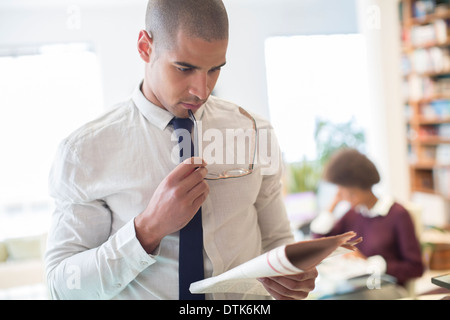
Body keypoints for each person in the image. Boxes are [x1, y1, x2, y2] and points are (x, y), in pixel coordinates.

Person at [44, 0, 317, 300]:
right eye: (184, 68)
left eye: (215, 69)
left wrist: (293, 276)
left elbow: (278, 241)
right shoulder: (84, 152)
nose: (202, 90)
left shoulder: (255, 132)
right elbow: (63, 288)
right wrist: (147, 229)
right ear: (145, 47)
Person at [310, 148, 424, 286]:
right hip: (358, 285)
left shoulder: (398, 215)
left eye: (342, 189)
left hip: (385, 287)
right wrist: (333, 205)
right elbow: (319, 243)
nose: (340, 194)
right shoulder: (353, 214)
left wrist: (369, 263)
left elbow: (416, 268)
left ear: (355, 189)